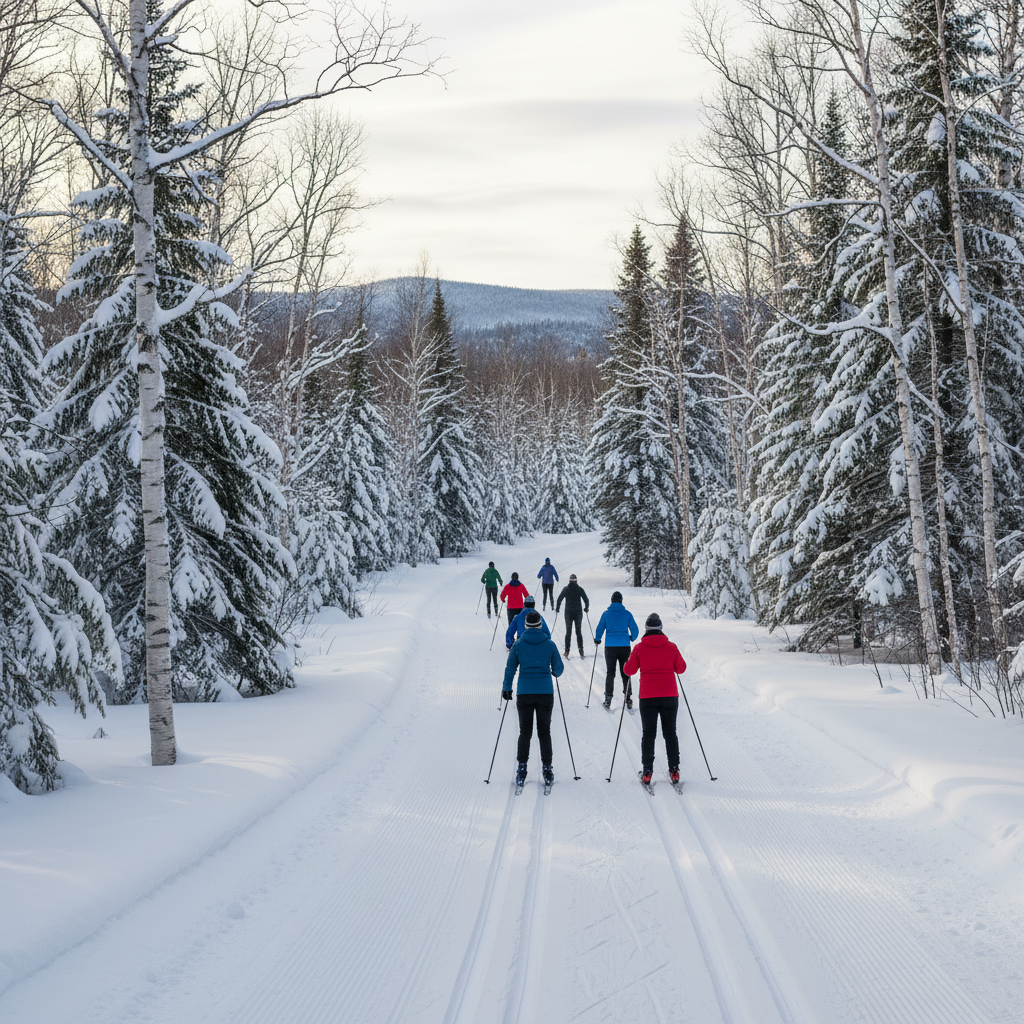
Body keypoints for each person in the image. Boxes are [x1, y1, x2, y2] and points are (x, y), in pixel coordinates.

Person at [623, 613, 687, 786]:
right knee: (670, 733)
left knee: (648, 734)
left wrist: (628, 662)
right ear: (660, 628)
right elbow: (681, 669)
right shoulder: (671, 647)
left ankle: (647, 772)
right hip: (669, 696)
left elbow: (629, 671)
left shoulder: (639, 648)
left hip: (648, 696)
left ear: (646, 629)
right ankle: (674, 770)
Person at [502, 610, 564, 788]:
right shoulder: (549, 644)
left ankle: (522, 768)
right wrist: (552, 670)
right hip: (545, 692)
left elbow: (510, 668)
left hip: (525, 693)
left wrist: (507, 688)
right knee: (544, 732)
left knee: (525, 732)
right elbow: (558, 669)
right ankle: (547, 768)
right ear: (540, 625)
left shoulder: (518, 645)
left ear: (526, 626)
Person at [594, 591, 639, 710]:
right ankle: (628, 699)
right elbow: (635, 630)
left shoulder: (606, 614)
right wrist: (630, 638)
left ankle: (608, 699)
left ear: (612, 601)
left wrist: (597, 639)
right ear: (621, 601)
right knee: (626, 672)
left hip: (610, 647)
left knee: (610, 673)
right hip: (624, 646)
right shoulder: (627, 614)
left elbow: (600, 628)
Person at [555, 573, 590, 658]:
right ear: (576, 581)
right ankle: (581, 650)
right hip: (578, 613)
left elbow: (559, 599)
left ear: (569, 581)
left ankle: (567, 651)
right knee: (578, 632)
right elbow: (586, 600)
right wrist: (586, 608)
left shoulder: (566, 589)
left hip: (568, 613)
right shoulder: (580, 589)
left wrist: (557, 608)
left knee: (568, 632)